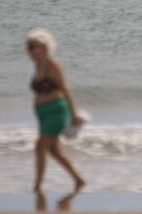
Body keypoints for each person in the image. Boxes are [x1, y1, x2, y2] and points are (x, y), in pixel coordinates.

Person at [26, 28, 86, 192]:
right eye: (28, 46)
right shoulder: (37, 66)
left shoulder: (54, 65)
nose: (29, 50)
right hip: (43, 114)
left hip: (56, 111)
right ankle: (79, 179)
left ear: (44, 47)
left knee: (40, 146)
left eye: (33, 46)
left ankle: (37, 186)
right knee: (54, 151)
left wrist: (73, 114)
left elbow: (65, 89)